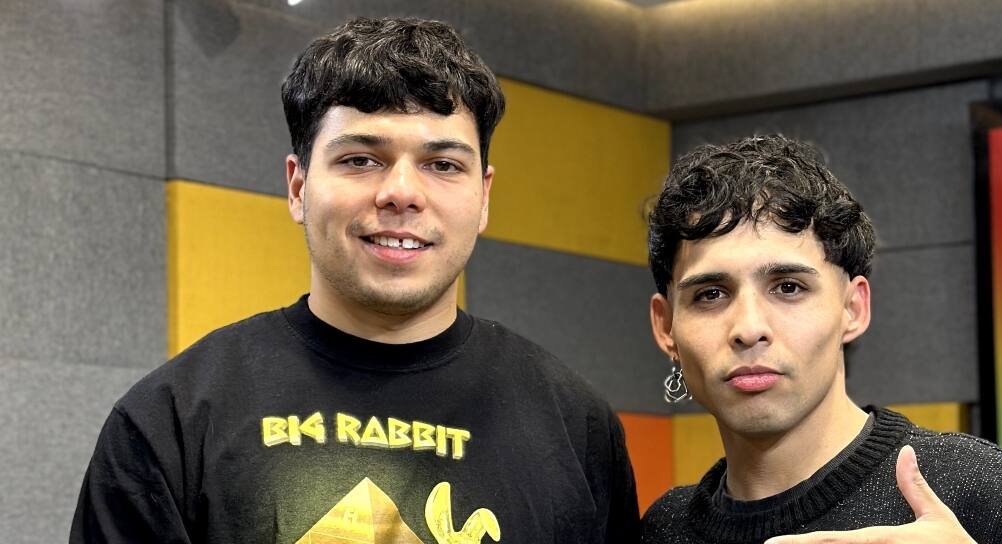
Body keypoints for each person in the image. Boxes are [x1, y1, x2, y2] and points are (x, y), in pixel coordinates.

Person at [70, 17, 639, 543]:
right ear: (298, 187)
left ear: (484, 196)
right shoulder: (170, 421)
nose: (402, 193)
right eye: (361, 159)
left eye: (443, 165)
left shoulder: (576, 426)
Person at [639, 135, 1002, 544]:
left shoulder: (976, 491)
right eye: (711, 294)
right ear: (666, 327)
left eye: (788, 287)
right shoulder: (665, 528)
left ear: (853, 308)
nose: (749, 328)